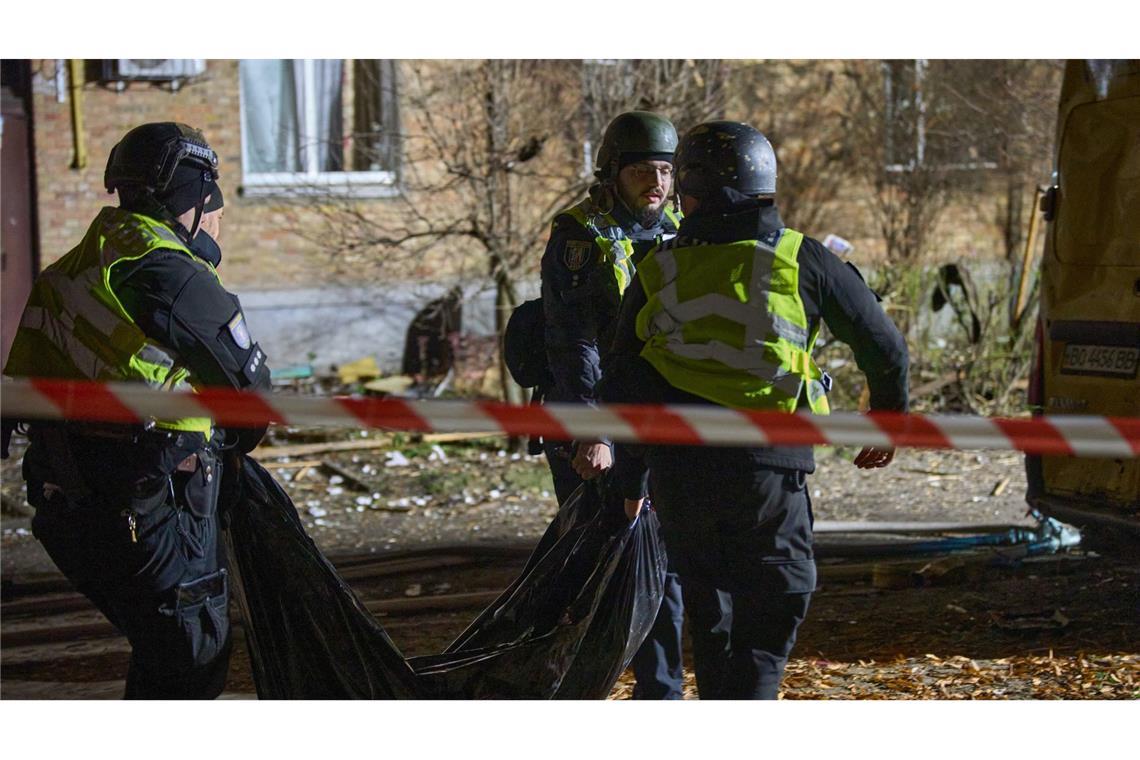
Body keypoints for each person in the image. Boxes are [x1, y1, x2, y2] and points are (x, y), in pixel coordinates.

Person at [600, 121, 909, 699]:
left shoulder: (658, 268)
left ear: (693, 191)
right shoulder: (804, 259)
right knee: (774, 600)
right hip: (767, 473)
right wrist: (889, 418)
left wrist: (632, 473)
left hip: (679, 474)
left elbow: (624, 381)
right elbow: (884, 346)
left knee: (709, 611)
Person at [2, 122, 271, 699]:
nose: (219, 220)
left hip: (69, 509)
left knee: (163, 650)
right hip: (153, 506)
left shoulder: (71, 274)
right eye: (214, 205)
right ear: (190, 199)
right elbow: (251, 395)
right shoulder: (169, 271)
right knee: (191, 655)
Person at [539, 111, 685, 699]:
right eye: (645, 170)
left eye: (668, 171)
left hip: (656, 421)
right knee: (590, 564)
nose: (658, 182)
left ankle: (662, 694)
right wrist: (591, 430)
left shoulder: (681, 227)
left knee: (658, 565)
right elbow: (571, 343)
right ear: (613, 172)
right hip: (594, 421)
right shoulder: (580, 234)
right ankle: (577, 688)